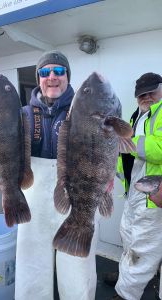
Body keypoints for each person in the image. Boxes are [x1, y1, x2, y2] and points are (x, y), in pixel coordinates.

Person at [14, 50, 99, 300]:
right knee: (31, 264)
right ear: (38, 78)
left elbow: (104, 147)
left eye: (59, 71)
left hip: (78, 193)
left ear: (68, 77)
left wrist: (104, 177)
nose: (52, 77)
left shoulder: (85, 110)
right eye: (45, 72)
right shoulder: (22, 114)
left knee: (78, 269)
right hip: (34, 197)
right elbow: (9, 154)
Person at [110, 72, 162, 300]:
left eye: (152, 91)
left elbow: (158, 149)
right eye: (142, 93)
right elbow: (126, 157)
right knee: (128, 236)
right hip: (134, 191)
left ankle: (125, 294)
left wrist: (127, 142)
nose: (147, 96)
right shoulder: (136, 116)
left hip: (153, 194)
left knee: (144, 247)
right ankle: (126, 276)